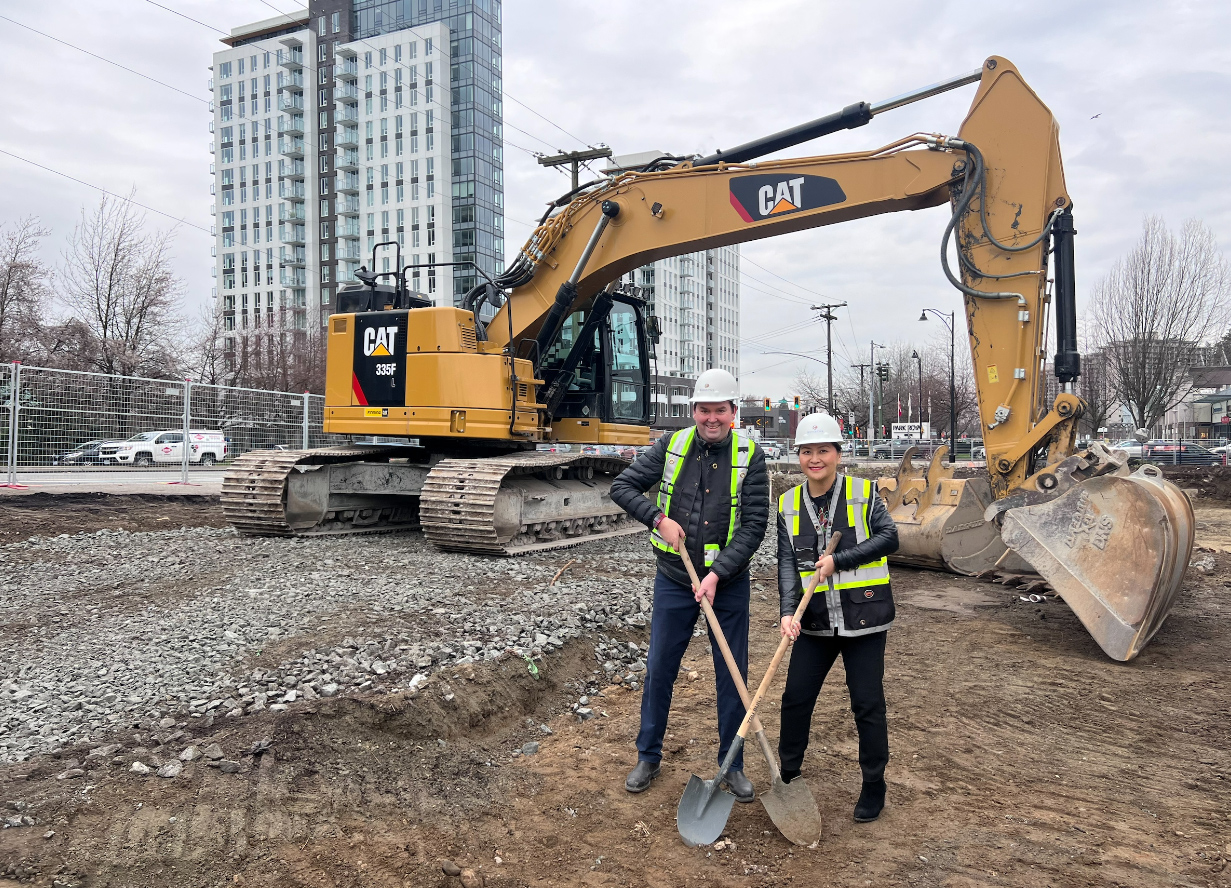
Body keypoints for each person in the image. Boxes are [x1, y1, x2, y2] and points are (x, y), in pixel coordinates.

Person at [609, 368, 769, 800]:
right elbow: (623, 486)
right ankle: (648, 755)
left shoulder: (750, 455)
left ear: (733, 412)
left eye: (720, 410)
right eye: (704, 410)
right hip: (675, 577)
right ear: (694, 410)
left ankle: (732, 765)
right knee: (660, 665)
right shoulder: (672, 445)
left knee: (732, 673)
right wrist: (658, 520)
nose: (711, 418)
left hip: (728, 583)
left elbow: (754, 525)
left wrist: (718, 574)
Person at [776, 412, 899, 822]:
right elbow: (787, 564)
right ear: (799, 455)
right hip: (813, 620)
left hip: (864, 617)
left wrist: (839, 560)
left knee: (867, 703)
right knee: (795, 699)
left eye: (823, 450)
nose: (815, 459)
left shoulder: (864, 493)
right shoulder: (787, 503)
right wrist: (787, 612)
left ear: (838, 454)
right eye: (807, 451)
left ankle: (874, 784)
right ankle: (788, 776)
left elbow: (890, 538)